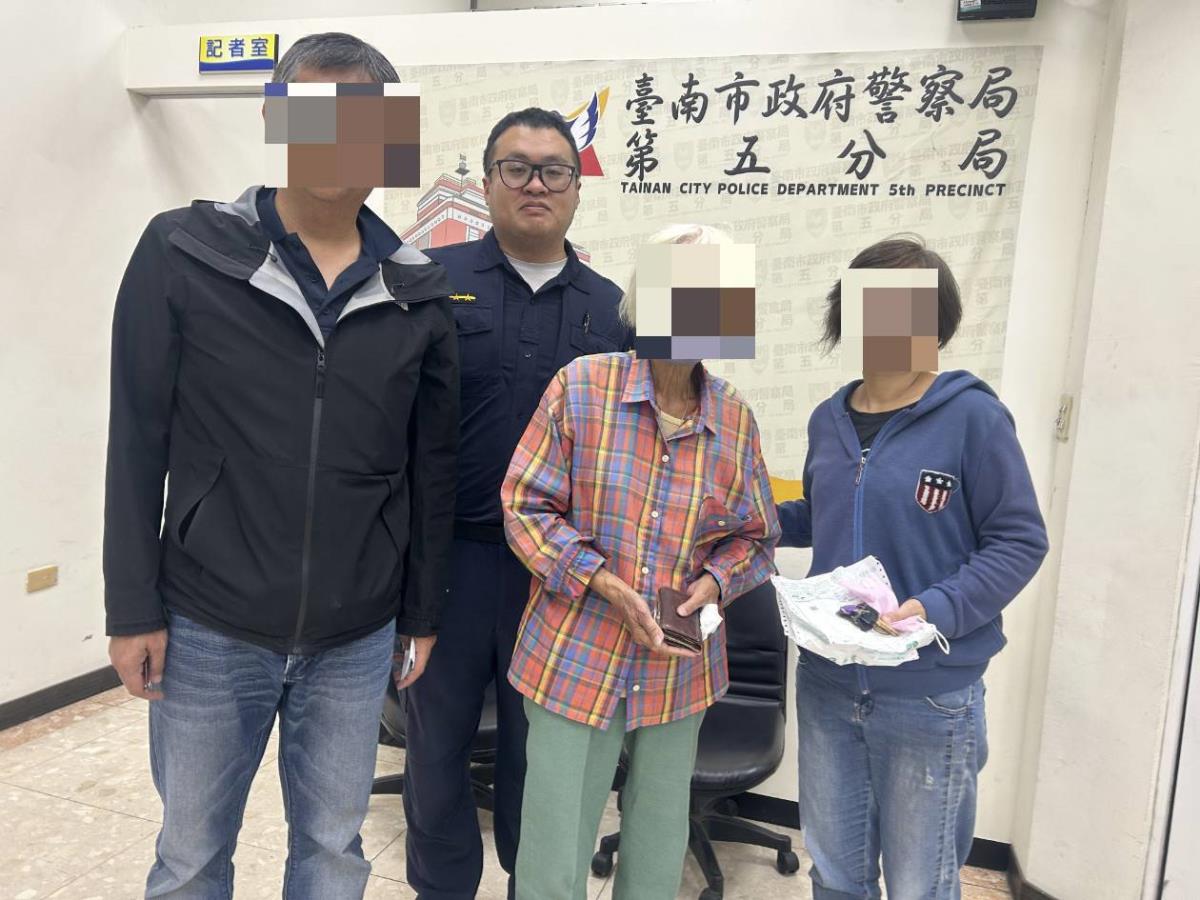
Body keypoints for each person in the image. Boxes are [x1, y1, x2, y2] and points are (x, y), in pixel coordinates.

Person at [103, 32, 459, 898]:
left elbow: (431, 468)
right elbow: (137, 437)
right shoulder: (186, 251)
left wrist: (420, 610)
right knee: (191, 855)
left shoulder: (417, 290)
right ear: (277, 119)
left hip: (357, 632)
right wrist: (132, 606)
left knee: (334, 852)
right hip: (208, 622)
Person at [502, 224, 781, 900]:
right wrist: (602, 582)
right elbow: (524, 506)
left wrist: (715, 580)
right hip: (575, 652)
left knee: (658, 846)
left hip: (679, 667)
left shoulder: (735, 420)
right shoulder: (581, 388)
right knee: (553, 853)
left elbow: (755, 538)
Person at [776, 235, 1049, 900]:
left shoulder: (973, 417)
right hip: (828, 681)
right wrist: (752, 519)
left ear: (936, 321)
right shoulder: (828, 419)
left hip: (930, 694)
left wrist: (936, 607)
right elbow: (827, 513)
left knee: (920, 886)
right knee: (835, 877)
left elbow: (1019, 539)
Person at [402, 108, 628, 899]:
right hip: (448, 565)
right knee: (435, 750)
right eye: (517, 167)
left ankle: (534, 886)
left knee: (544, 756)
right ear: (490, 180)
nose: (537, 184)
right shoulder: (428, 280)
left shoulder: (614, 307)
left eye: (554, 170)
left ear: (576, 187)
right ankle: (441, 889)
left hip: (560, 577)